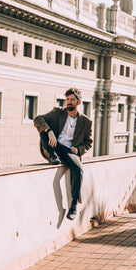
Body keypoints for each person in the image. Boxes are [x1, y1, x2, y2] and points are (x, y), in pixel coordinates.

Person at [34, 88, 92, 220]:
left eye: (72, 100)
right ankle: (53, 156)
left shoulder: (86, 122)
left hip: (69, 151)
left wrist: (79, 150)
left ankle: (73, 207)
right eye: (67, 100)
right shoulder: (57, 112)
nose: (69, 102)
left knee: (78, 169)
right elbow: (38, 119)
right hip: (53, 146)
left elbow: (88, 142)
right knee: (43, 131)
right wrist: (49, 131)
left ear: (79, 102)